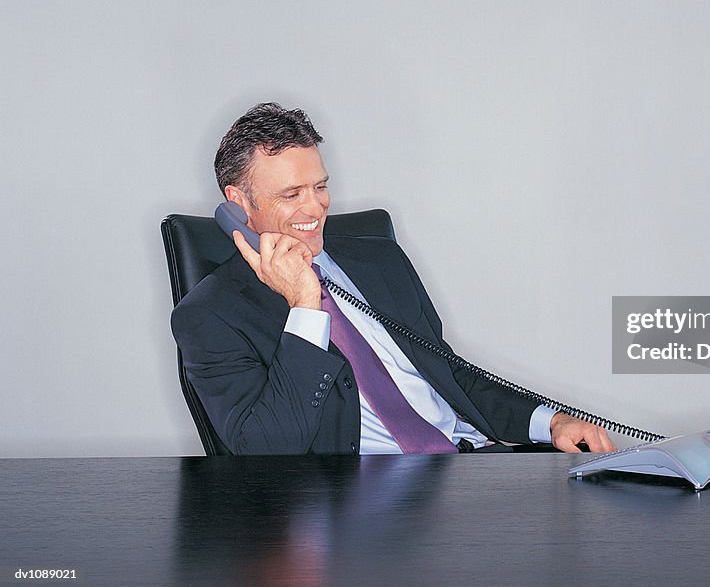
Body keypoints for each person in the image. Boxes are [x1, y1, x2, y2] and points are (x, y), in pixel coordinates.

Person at [171, 103, 615, 455]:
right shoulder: (210, 316)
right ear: (238, 205)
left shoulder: (379, 260)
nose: (315, 208)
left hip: (469, 464)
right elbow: (267, 451)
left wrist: (551, 421)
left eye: (320, 187)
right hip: (364, 510)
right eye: (291, 194)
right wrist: (304, 305)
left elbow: (450, 376)